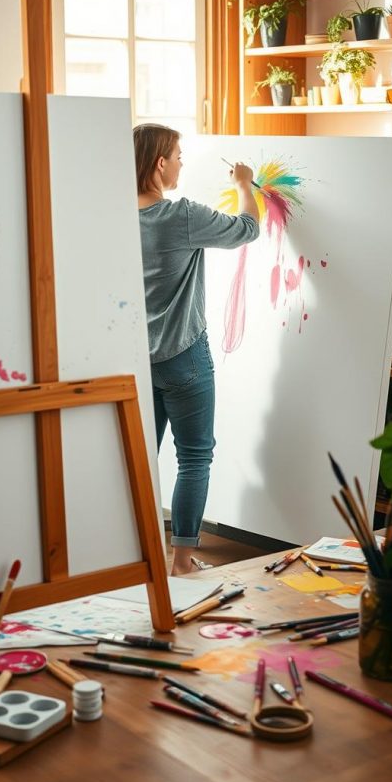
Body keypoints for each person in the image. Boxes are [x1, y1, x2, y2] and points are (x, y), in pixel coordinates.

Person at [133, 123, 260, 575]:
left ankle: (138, 556)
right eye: (178, 155)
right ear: (159, 163)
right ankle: (182, 562)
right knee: (194, 457)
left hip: (135, 359)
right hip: (184, 356)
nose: (182, 162)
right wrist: (244, 184)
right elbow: (247, 229)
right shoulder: (179, 215)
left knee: (139, 459)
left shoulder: (112, 217)